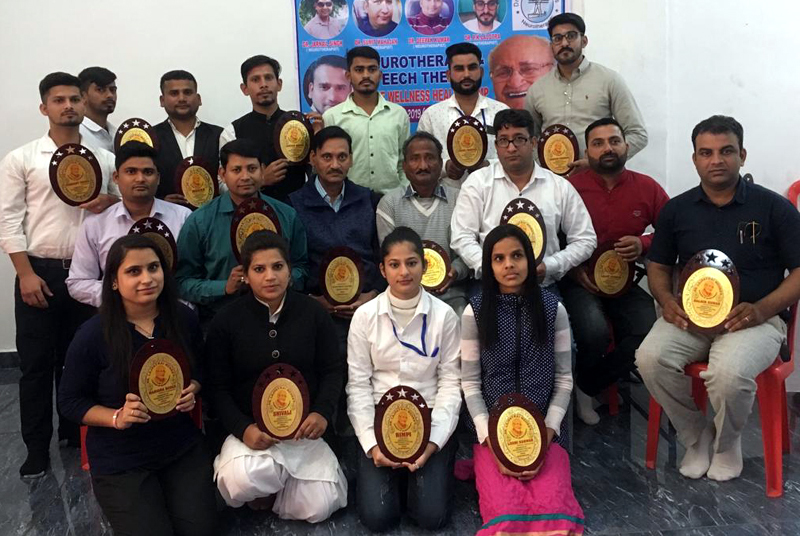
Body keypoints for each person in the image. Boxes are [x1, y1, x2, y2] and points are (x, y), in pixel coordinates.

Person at [636, 115, 800, 482]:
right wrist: (665, 300)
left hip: (754, 320)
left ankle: (727, 444)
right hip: (691, 320)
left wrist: (763, 309)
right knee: (649, 358)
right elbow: (658, 265)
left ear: (742, 155)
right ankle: (697, 436)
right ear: (694, 159)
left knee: (727, 374)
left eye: (726, 151)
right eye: (706, 153)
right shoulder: (677, 210)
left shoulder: (774, 208)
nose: (716, 160)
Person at [0, 72, 118, 478]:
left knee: (83, 360)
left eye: (73, 99)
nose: (67, 106)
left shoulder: (104, 160)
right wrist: (25, 274)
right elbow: (9, 220)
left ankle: (76, 433)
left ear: (83, 105)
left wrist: (111, 198)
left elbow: (123, 208)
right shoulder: (22, 159)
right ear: (44, 107)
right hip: (40, 271)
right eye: (58, 100)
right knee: (35, 366)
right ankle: (35, 447)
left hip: (88, 273)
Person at [58, 234, 217, 536]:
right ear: (114, 281)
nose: (147, 278)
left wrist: (194, 388)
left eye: (154, 268)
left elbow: (202, 370)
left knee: (201, 530)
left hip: (180, 445)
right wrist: (116, 417)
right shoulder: (92, 335)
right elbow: (69, 401)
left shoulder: (183, 319)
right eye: (134, 271)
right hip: (121, 459)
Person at [207, 231, 347, 522]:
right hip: (253, 432)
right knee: (240, 481)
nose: (270, 276)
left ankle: (275, 489)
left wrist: (321, 413)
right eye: (259, 269)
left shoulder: (313, 312)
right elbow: (217, 387)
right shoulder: (226, 321)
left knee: (321, 506)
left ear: (289, 271)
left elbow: (333, 369)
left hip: (302, 431)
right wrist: (243, 428)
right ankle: (272, 484)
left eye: (278, 267)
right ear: (244, 274)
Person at [461, 224, 584, 535]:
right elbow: (470, 384)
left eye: (517, 256)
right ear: (489, 266)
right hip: (492, 432)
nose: (509, 265)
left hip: (545, 429)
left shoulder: (552, 308)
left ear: (530, 260)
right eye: (498, 259)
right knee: (506, 515)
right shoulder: (474, 311)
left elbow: (564, 380)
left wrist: (547, 431)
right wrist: (490, 437)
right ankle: (482, 463)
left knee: (555, 513)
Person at [347, 227, 462, 531]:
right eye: (394, 265)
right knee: (377, 518)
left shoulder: (445, 316)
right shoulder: (365, 316)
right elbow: (358, 385)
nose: (404, 272)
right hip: (379, 422)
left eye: (412, 263)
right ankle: (389, 473)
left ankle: (424, 472)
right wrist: (373, 446)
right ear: (382, 270)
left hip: (429, 419)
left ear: (425, 265)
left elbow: (451, 383)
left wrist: (433, 444)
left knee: (431, 517)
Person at [563, 118, 669, 424]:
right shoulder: (570, 188)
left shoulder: (647, 187)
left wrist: (644, 243)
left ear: (625, 146)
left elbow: (673, 231)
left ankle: (588, 385)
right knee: (593, 332)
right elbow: (552, 238)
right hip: (580, 281)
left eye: (614, 141)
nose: (607, 148)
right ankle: (590, 387)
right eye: (598, 143)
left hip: (624, 283)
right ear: (588, 150)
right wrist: (573, 271)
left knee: (649, 335)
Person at [450, 109, 596, 292]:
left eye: (519, 139)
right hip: (489, 284)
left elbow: (585, 239)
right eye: (504, 140)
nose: (511, 148)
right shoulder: (477, 183)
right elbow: (461, 237)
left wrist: (550, 265)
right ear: (496, 145)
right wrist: (491, 268)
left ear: (533, 142)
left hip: (541, 284)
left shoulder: (559, 186)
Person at [176, 139, 308, 323]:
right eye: (237, 170)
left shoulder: (286, 215)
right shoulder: (200, 221)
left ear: (262, 170)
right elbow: (182, 282)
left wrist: (284, 277)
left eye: (252, 169)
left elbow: (302, 266)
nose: (245, 177)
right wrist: (224, 287)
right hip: (221, 322)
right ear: (222, 173)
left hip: (282, 319)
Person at [288, 126, 383, 352]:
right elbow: (292, 263)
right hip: (317, 311)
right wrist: (313, 300)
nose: (335, 165)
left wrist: (374, 294)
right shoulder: (294, 204)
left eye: (342, 157)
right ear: (313, 158)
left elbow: (382, 254)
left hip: (369, 306)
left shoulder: (369, 200)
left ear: (351, 159)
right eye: (327, 157)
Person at [67, 141, 192, 307]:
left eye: (148, 172)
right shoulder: (96, 224)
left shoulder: (183, 217)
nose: (140, 179)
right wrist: (123, 296)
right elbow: (78, 282)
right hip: (118, 318)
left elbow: (193, 276)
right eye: (131, 171)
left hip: (174, 313)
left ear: (158, 178)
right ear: (116, 178)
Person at [524, 13, 648, 172]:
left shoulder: (609, 80)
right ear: (551, 45)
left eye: (571, 36)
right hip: (553, 182)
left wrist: (598, 161)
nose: (564, 43)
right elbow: (529, 139)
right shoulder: (537, 89)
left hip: (601, 178)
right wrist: (543, 164)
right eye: (557, 38)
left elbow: (638, 134)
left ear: (584, 41)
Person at [377, 132, 469, 314]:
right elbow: (390, 258)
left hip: (451, 296)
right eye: (415, 159)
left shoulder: (460, 199)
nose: (423, 166)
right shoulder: (389, 204)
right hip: (403, 297)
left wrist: (454, 271)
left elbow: (469, 250)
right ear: (404, 166)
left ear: (440, 163)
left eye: (430, 158)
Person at [224, 55, 318, 203]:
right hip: (252, 212)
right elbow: (223, 183)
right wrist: (260, 180)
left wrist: (318, 137)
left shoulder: (299, 125)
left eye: (268, 78)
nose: (263, 85)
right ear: (245, 89)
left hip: (299, 211)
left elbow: (317, 173)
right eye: (255, 80)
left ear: (279, 84)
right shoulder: (232, 131)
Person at [418, 42, 508, 186]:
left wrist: (487, 165)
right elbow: (420, 161)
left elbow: (514, 157)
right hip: (447, 200)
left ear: (481, 72)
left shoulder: (501, 111)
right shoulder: (431, 116)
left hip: (493, 197)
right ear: (448, 75)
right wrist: (445, 168)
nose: (466, 74)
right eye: (459, 69)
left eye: (472, 67)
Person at [323, 46, 410, 193]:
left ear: (380, 74)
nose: (366, 75)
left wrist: (402, 191)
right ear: (348, 76)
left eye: (372, 69)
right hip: (349, 201)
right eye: (359, 70)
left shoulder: (399, 114)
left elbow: (404, 162)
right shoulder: (332, 117)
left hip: (392, 199)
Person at [153, 70, 232, 203]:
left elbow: (230, 180)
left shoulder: (220, 135)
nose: (182, 98)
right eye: (174, 93)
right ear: (162, 100)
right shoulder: (150, 137)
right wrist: (159, 201)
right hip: (166, 218)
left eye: (188, 92)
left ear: (199, 99)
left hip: (212, 216)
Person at [488, 35, 553, 110]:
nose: (515, 83)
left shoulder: (568, 115)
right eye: (503, 72)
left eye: (528, 69)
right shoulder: (483, 120)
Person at [78, 66, 117, 153]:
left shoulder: (116, 133)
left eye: (113, 90)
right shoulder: (77, 134)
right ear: (83, 96)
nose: (110, 95)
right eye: (100, 89)